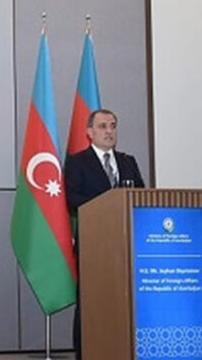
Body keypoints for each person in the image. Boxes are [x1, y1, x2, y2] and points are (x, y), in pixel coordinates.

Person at [64, 108, 144, 360]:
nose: (109, 131)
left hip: (126, 245)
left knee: (124, 301)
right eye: (102, 126)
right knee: (91, 304)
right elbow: (72, 198)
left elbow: (141, 196)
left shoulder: (128, 161)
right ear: (89, 132)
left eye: (113, 126)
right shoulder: (77, 162)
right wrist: (107, 204)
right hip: (93, 246)